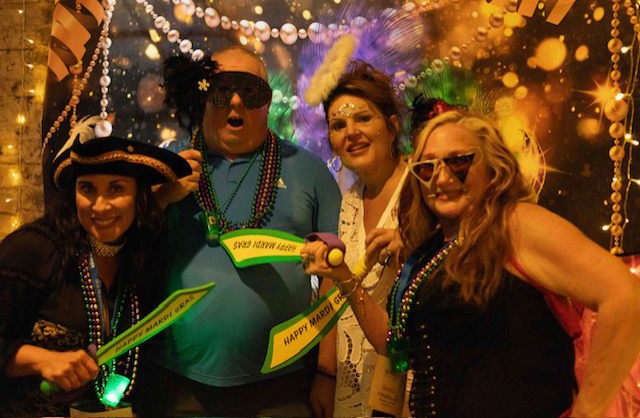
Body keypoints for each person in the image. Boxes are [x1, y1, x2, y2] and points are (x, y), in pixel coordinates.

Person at [302, 104, 640, 417]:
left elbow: (626, 296)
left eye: (458, 162)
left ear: (493, 169)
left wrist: (587, 412)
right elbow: (395, 346)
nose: (441, 177)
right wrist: (344, 276)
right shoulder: (434, 248)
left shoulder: (514, 223)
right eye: (427, 167)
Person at [142, 46, 341, 417]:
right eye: (222, 89)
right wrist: (161, 197)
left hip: (282, 386)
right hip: (178, 385)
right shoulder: (167, 164)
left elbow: (336, 278)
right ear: (202, 94)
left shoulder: (310, 171)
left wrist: (327, 373)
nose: (235, 101)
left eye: (250, 91)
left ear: (267, 102)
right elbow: (122, 249)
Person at [0, 135, 192, 417]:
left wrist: (163, 197)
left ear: (138, 196)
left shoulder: (139, 254)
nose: (100, 206)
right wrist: (40, 359)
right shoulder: (35, 250)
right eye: (87, 188)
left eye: (116, 188)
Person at [308, 61, 407, 418]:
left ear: (392, 126)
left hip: (408, 374)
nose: (351, 133)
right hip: (353, 378)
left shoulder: (422, 188)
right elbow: (332, 286)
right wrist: (326, 372)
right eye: (338, 125)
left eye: (363, 119)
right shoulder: (348, 199)